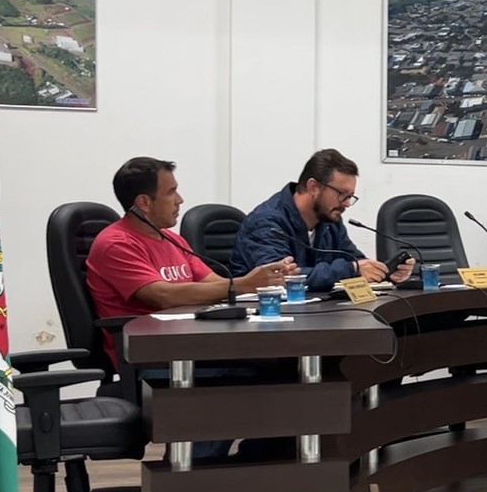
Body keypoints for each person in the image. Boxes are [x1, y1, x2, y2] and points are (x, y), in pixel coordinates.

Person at [86, 157, 295, 461]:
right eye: (171, 192)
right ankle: (197, 475)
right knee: (253, 371)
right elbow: (162, 296)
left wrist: (263, 281)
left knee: (282, 365)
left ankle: (258, 466)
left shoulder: (172, 239)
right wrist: (244, 284)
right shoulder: (116, 243)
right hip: (149, 357)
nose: (180, 200)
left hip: (189, 346)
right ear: (144, 202)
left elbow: (216, 284)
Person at [230, 148, 415, 291]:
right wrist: (352, 270)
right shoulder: (266, 222)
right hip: (264, 318)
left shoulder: (330, 219)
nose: (347, 204)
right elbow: (279, 279)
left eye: (350, 196)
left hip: (316, 311)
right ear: (313, 187)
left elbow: (353, 259)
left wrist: (384, 272)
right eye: (342, 194)